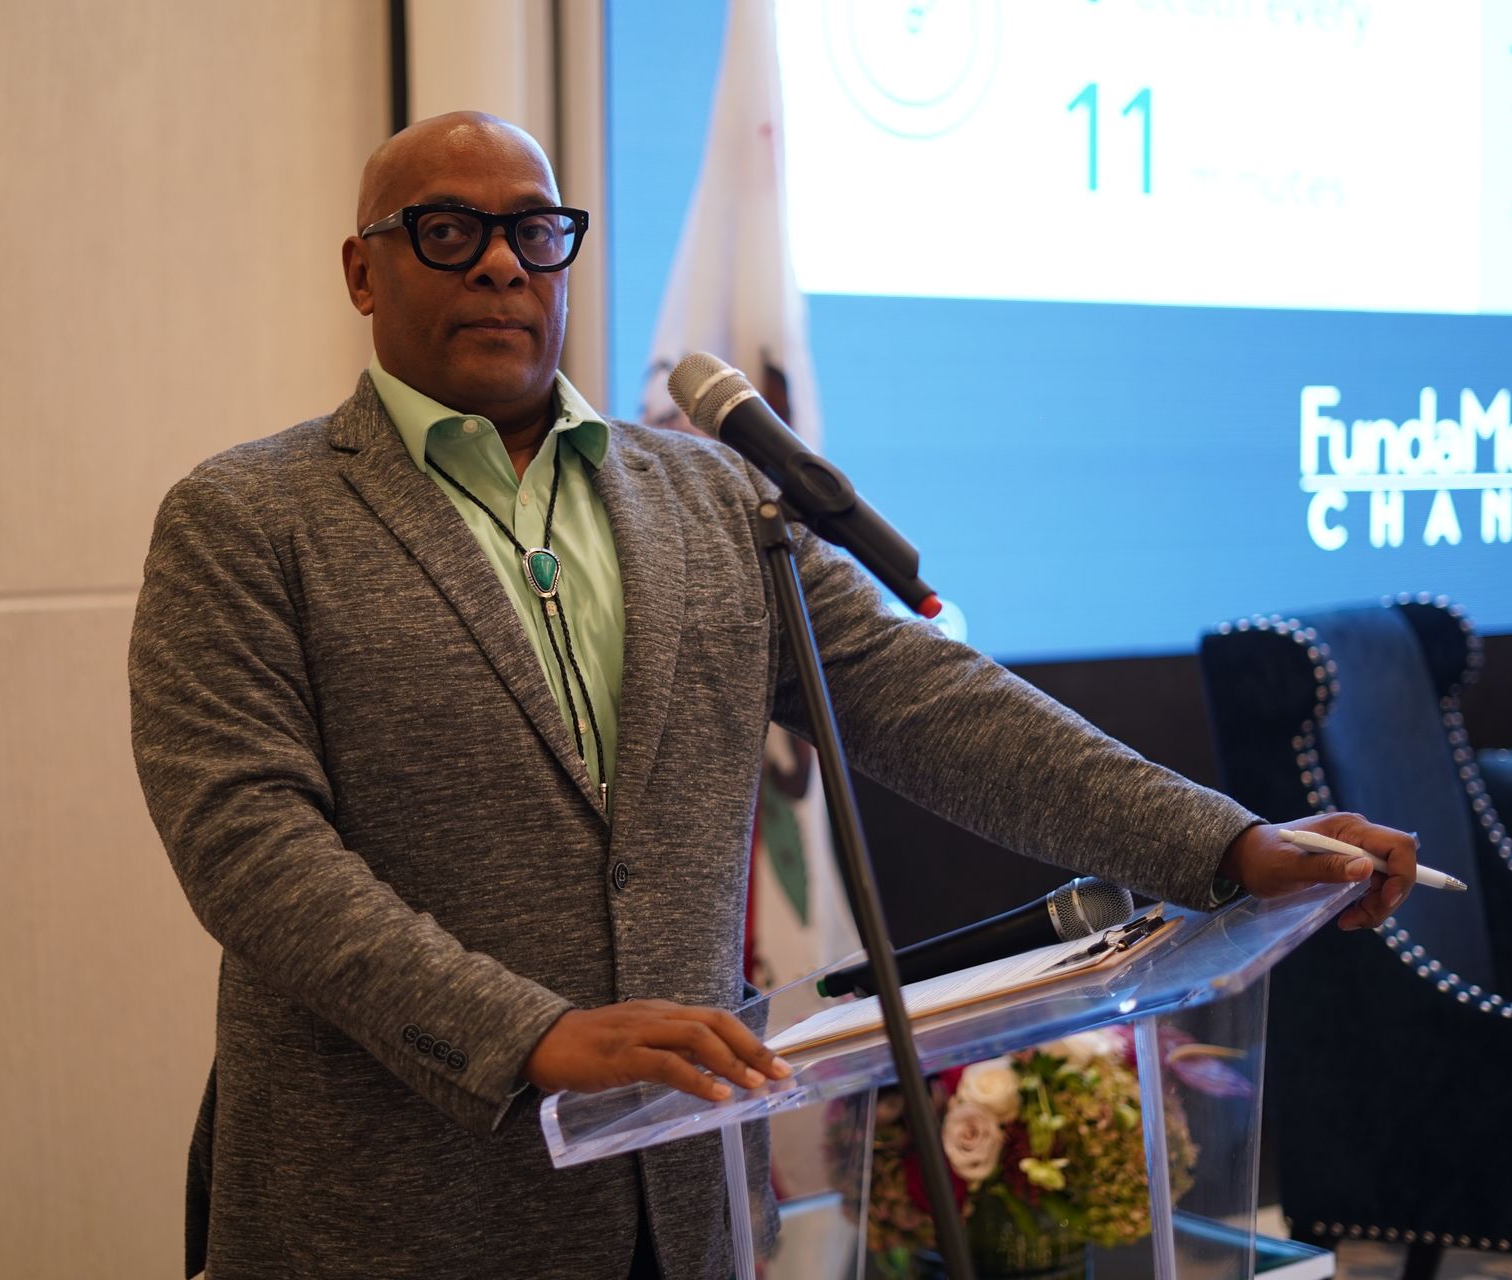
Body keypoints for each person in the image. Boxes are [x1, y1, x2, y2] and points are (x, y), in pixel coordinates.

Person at [128, 111, 1417, 1280]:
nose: (503, 265)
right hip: (391, 1209)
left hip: (688, 1199)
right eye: (448, 232)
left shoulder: (713, 499)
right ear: (362, 270)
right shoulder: (247, 519)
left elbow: (935, 705)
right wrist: (528, 1034)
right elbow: (250, 848)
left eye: (536, 230)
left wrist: (1226, 844)